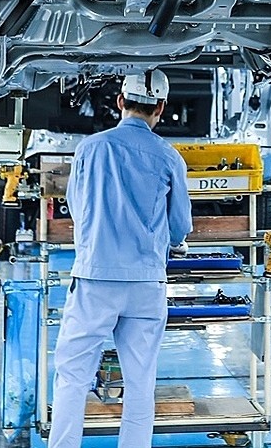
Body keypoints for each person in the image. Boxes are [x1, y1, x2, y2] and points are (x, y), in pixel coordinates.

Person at [49, 69, 193, 448]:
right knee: (141, 381)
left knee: (73, 378)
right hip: (146, 283)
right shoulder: (168, 156)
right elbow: (180, 227)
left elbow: (76, 209)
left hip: (96, 279)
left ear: (119, 102)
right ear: (161, 107)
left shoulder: (91, 148)